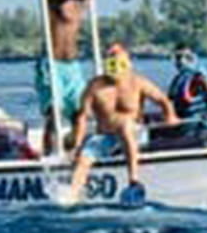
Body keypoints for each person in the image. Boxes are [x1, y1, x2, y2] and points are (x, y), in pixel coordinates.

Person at [68, 42, 167, 201]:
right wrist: (77, 145)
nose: (115, 66)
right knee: (83, 158)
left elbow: (163, 100)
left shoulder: (138, 82)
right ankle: (72, 195)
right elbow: (82, 117)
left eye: (118, 59)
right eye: (111, 59)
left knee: (125, 125)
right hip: (105, 137)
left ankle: (133, 180)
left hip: (134, 133)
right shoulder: (95, 86)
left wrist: (171, 117)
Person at [35, 0, 92, 156]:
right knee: (54, 113)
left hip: (72, 66)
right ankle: (48, 156)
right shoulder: (53, 0)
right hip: (52, 64)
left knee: (80, 114)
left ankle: (71, 149)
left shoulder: (81, 2)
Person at [163, 45, 207, 142]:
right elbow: (169, 101)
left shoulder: (199, 78)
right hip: (183, 122)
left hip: (198, 124)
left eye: (184, 57)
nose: (180, 61)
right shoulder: (178, 79)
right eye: (177, 58)